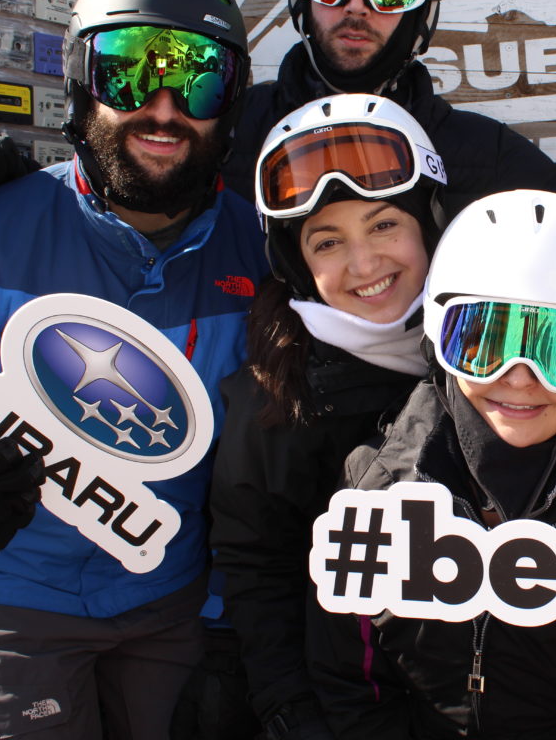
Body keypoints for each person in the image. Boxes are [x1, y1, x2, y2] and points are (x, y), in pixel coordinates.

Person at [0, 0, 268, 739]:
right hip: (8, 597)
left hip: (170, 596)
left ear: (230, 104)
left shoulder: (261, 253)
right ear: (80, 81)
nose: (163, 110)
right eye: (128, 73)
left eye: (199, 81)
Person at [307, 190, 556, 739]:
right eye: (484, 342)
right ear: (441, 337)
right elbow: (350, 676)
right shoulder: (377, 487)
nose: (518, 376)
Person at [0, 0, 556, 229]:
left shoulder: (483, 156)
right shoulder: (228, 127)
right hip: (246, 448)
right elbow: (125, 197)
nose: (357, 3)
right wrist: (13, 193)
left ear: (421, 8)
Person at [209, 93, 445, 739]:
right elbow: (258, 571)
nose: (365, 265)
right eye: (328, 241)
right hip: (348, 707)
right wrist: (290, 710)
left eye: (384, 225)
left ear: (429, 222)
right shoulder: (276, 399)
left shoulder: (486, 353)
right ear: (297, 264)